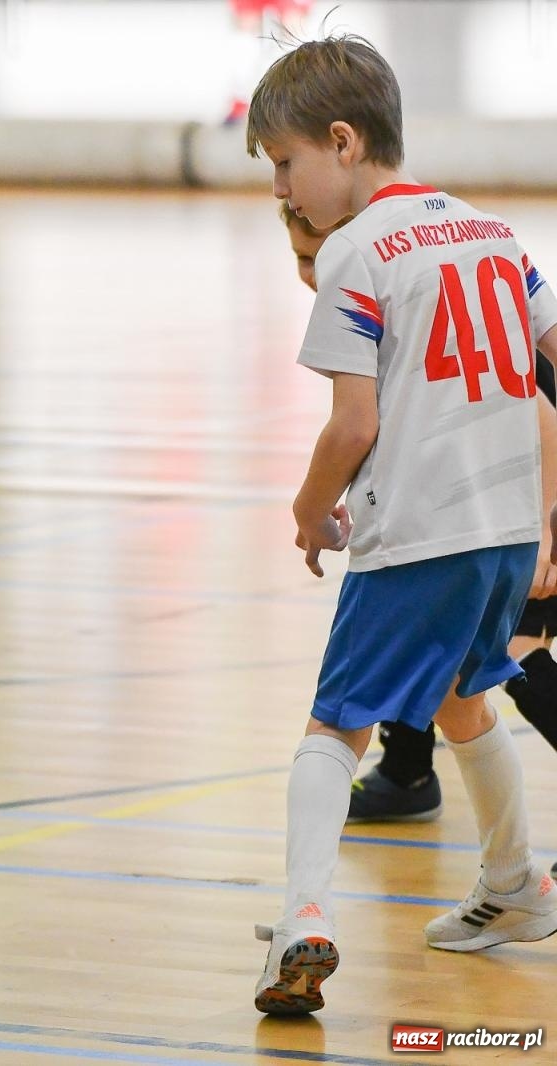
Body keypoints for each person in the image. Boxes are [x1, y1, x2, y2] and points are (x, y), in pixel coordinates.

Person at [244, 36, 557, 1016]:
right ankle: (515, 886)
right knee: (466, 697)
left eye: (286, 164)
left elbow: (353, 424)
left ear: (342, 143)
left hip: (419, 529)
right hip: (505, 531)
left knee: (333, 725)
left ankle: (301, 916)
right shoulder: (490, 231)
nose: (286, 192)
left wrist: (306, 511)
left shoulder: (351, 251)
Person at [279, 204, 557, 826]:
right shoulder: (379, 297)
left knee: (512, 653)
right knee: (433, 648)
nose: (313, 274)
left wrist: (542, 529)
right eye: (301, 259)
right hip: (500, 499)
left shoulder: (399, 290)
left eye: (318, 256)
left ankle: (418, 785)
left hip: (528, 494)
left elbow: (545, 419)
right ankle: (408, 773)